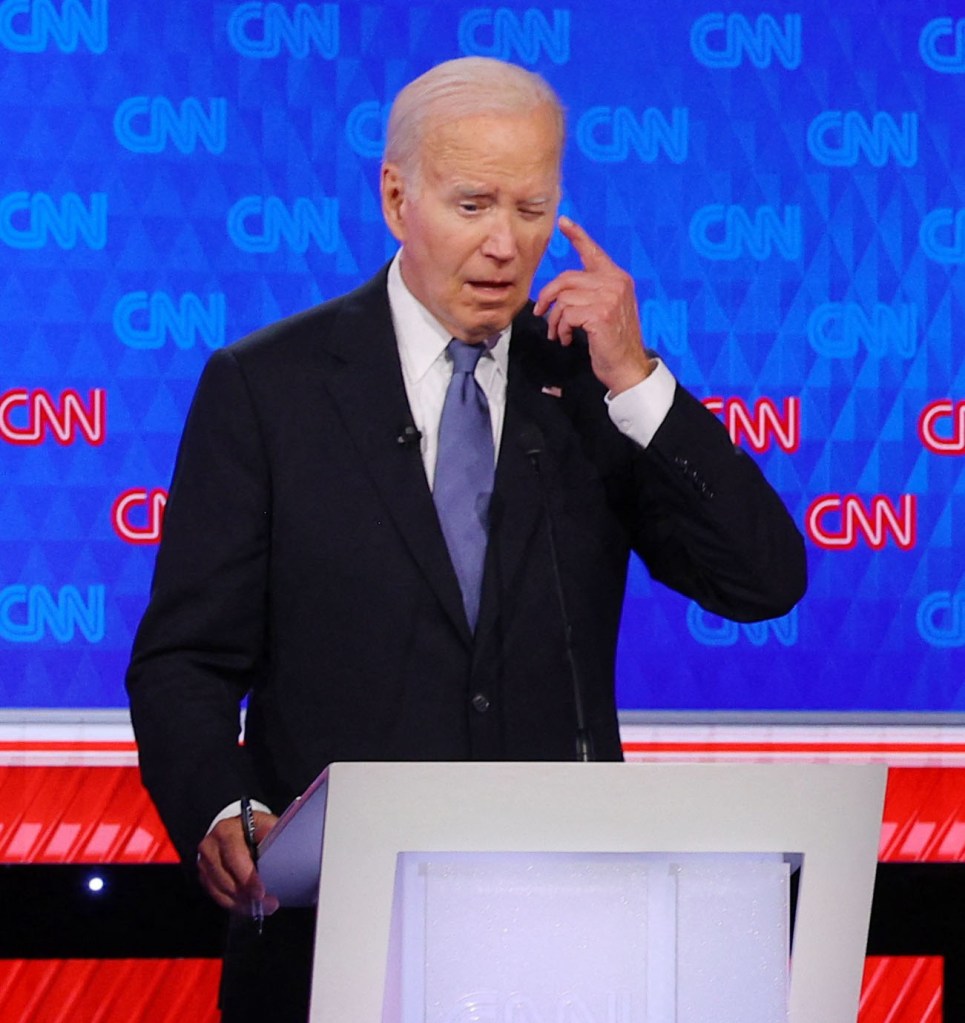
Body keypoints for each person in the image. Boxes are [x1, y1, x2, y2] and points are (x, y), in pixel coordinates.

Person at [126, 57, 807, 1020]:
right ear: (397, 197)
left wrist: (640, 382)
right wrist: (222, 807)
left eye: (533, 209)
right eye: (474, 203)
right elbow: (184, 661)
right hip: (333, 940)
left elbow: (763, 579)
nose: (504, 244)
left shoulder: (585, 393)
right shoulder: (266, 389)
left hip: (569, 939)